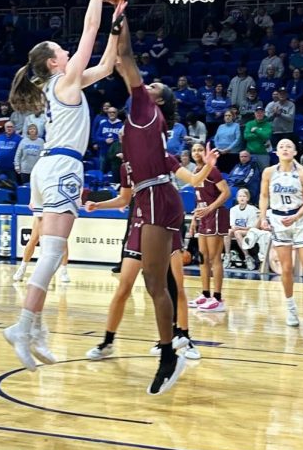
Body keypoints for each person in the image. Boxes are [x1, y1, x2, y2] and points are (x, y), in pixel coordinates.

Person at [2, 0, 121, 373]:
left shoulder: (66, 82)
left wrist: (119, 17)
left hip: (51, 167)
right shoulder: (64, 80)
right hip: (62, 166)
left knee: (53, 250)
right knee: (53, 251)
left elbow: (108, 64)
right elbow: (89, 27)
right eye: (62, 50)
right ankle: (24, 325)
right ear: (54, 62)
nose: (69, 51)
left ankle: (31, 327)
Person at [104, 0, 216, 394]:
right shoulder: (148, 116)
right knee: (160, 282)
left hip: (155, 197)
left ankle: (171, 353)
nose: (145, 83)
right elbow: (120, 61)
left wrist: (121, 14)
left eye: (153, 86)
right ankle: (174, 345)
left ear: (160, 99)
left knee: (155, 283)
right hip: (162, 196)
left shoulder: (144, 106)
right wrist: (117, 21)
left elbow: (125, 57)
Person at [82, 142, 216, 363]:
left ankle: (184, 336)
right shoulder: (126, 166)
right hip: (139, 225)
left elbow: (193, 180)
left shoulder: (162, 156)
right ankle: (107, 341)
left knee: (176, 285)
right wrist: (99, 205)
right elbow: (124, 199)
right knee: (124, 287)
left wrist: (208, 165)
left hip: (165, 223)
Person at [258, 138, 303, 326]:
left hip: (300, 219)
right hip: (278, 220)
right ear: (276, 152)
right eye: (281, 147)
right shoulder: (269, 172)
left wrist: (295, 217)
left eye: (289, 146)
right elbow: (263, 196)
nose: (285, 149)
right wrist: (263, 217)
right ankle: (291, 310)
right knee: (285, 268)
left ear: (295, 152)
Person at [188, 142, 231, 312]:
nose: (197, 152)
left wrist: (210, 208)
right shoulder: (195, 172)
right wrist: (194, 219)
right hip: (203, 215)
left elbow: (226, 193)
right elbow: (198, 199)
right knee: (202, 258)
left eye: (200, 149)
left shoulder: (212, 170)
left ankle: (218, 299)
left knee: (215, 258)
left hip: (216, 214)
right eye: (194, 150)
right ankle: (205, 295)